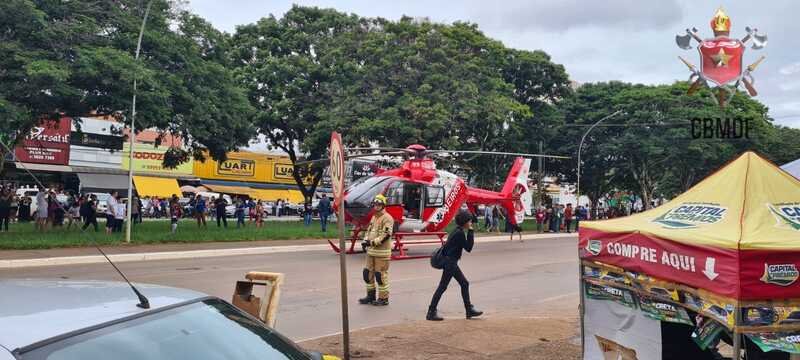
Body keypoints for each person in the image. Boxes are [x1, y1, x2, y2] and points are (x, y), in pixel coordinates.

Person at [426, 210, 483, 321]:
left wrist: (470, 229)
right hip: (450, 263)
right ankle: (431, 312)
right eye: (469, 221)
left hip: (451, 262)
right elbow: (469, 248)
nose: (471, 222)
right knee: (443, 287)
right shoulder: (460, 233)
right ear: (465, 222)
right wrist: (471, 231)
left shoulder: (457, 230)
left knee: (464, 283)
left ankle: (469, 310)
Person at [358, 194, 395, 306]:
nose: (376, 206)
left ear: (383, 205)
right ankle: (370, 296)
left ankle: (384, 299)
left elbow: (386, 235)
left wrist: (372, 242)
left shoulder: (387, 218)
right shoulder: (374, 217)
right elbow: (369, 231)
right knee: (367, 274)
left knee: (380, 276)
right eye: (375, 204)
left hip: (382, 253)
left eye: (379, 204)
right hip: (371, 252)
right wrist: (365, 241)